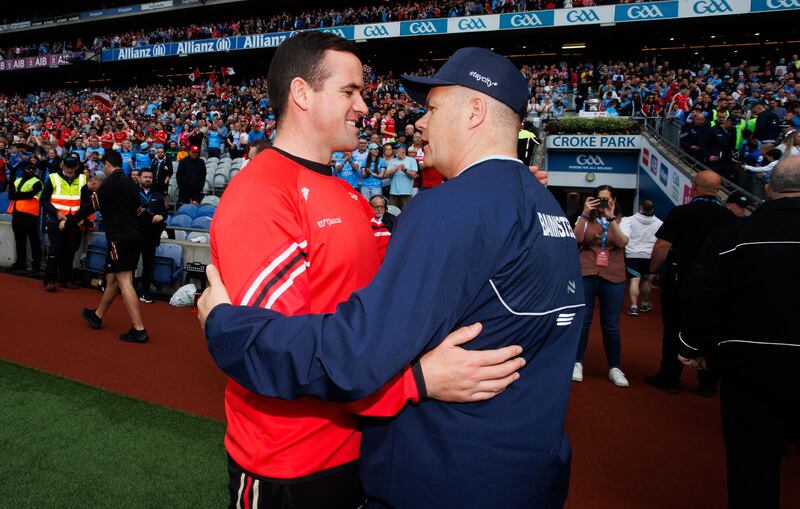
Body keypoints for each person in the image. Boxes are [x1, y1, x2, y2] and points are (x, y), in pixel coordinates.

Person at [199, 46, 582, 508]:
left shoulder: (349, 194)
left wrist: (490, 199)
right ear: (301, 93)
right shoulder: (261, 194)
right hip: (292, 463)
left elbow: (413, 278)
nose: (365, 106)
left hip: (361, 449)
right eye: (350, 91)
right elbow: (284, 356)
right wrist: (415, 381)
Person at [677, 157, 800, 509]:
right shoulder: (732, 230)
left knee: (752, 465)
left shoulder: (735, 233)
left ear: (768, 188)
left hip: (749, 366)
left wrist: (691, 345)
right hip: (754, 362)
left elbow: (703, 293)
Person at [644, 170, 734, 396]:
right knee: (712, 332)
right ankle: (709, 383)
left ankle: (670, 378)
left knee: (673, 330)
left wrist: (653, 272)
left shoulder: (681, 213)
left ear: (694, 187)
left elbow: (663, 246)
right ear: (718, 190)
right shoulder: (729, 218)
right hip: (716, 287)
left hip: (680, 284)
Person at [76, 150, 148, 343]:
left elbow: (92, 206)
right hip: (133, 236)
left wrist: (69, 219)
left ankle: (139, 329)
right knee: (113, 279)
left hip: (119, 237)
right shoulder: (131, 184)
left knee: (124, 280)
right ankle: (97, 315)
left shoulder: (111, 182)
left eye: (102, 166)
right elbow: (139, 210)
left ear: (107, 164)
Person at [572, 186, 630, 387]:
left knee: (611, 324)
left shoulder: (624, 221)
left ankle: (615, 367)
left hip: (612, 276)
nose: (603, 203)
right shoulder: (587, 219)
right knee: (584, 320)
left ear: (614, 200)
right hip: (586, 272)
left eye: (607, 199)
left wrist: (611, 218)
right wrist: (585, 213)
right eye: (599, 199)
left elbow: (621, 242)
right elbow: (576, 238)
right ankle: (577, 362)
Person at [39, 155, 86, 292]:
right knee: (55, 249)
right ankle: (50, 280)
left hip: (74, 220)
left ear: (77, 167)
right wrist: (57, 213)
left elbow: (86, 201)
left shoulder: (83, 179)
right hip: (56, 219)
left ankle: (65, 279)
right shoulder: (53, 178)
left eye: (73, 167)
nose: (70, 170)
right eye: (67, 166)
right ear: (62, 166)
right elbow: (44, 200)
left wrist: (82, 217)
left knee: (70, 251)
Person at [620, 199, 662, 316]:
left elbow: (623, 237)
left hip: (633, 255)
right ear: (653, 209)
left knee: (634, 280)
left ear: (640, 207)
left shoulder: (628, 220)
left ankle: (634, 307)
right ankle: (644, 303)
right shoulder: (659, 223)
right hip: (650, 256)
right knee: (646, 280)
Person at [135, 168, 167, 303]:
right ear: (139, 178)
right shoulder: (133, 193)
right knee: (132, 264)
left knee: (148, 265)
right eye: (145, 177)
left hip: (151, 235)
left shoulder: (158, 195)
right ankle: (130, 292)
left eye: (150, 177)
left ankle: (145, 293)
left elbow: (164, 213)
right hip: (135, 234)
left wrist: (161, 216)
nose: (148, 179)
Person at [6, 163, 42, 273]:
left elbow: (30, 195)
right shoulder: (17, 181)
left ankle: (36, 265)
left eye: (32, 169)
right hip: (17, 214)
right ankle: (20, 263)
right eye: (28, 168)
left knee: (34, 241)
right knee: (19, 240)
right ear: (24, 169)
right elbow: (11, 195)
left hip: (31, 215)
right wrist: (21, 194)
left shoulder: (37, 182)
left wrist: (18, 194)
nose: (30, 170)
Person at [385, 142, 418, 210]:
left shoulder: (412, 160)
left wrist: (404, 170)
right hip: (393, 193)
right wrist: (394, 170)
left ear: (403, 150)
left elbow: (414, 175)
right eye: (394, 149)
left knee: (405, 214)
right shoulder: (392, 161)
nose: (394, 151)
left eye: (397, 149)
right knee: (392, 214)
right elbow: (386, 175)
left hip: (406, 193)